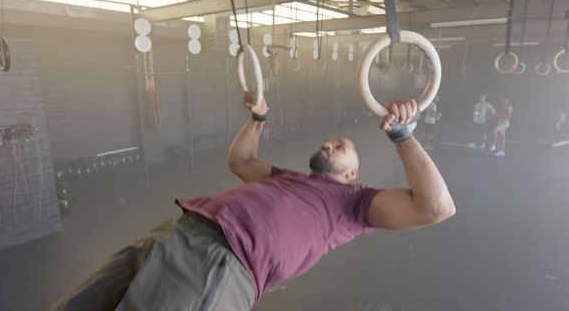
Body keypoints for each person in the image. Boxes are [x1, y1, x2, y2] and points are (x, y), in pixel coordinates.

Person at [50, 93, 455, 311]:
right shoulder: (289, 178)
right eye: (327, 141)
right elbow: (240, 161)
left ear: (352, 173)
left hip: (219, 263)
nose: (329, 143)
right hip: (171, 235)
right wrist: (258, 118)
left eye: (340, 146)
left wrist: (403, 135)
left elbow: (435, 208)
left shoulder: (354, 204)